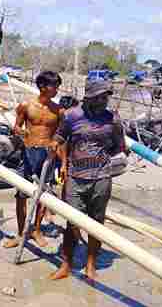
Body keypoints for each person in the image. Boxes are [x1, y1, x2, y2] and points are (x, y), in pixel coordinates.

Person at [49, 79, 127, 282]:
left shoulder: (112, 119)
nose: (103, 101)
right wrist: (54, 144)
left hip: (101, 178)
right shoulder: (71, 116)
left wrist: (101, 157)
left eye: (106, 97)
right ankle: (66, 264)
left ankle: (90, 265)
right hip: (75, 178)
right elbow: (60, 136)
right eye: (100, 97)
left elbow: (120, 146)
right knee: (72, 223)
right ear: (89, 98)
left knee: (96, 222)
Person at [3, 71, 64, 249]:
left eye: (58, 86)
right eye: (54, 86)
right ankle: (21, 232)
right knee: (21, 195)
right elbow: (16, 127)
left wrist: (63, 162)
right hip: (28, 153)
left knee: (43, 195)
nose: (57, 89)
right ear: (43, 87)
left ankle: (36, 230)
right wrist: (21, 132)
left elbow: (61, 137)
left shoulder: (58, 110)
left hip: (48, 156)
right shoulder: (26, 106)